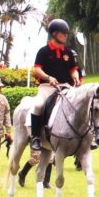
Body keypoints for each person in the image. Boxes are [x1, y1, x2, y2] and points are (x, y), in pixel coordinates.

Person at [30, 19, 81, 151]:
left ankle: (82, 136)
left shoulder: (68, 53)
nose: (65, 35)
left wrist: (75, 75)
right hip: (47, 87)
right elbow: (37, 69)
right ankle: (35, 137)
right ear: (54, 34)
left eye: (66, 33)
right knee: (38, 105)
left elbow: (73, 69)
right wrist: (48, 77)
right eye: (63, 33)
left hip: (65, 87)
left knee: (79, 104)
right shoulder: (43, 51)